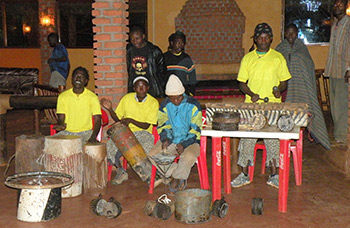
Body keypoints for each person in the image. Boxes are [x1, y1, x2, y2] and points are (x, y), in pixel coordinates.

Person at [231, 23, 291, 189]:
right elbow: (241, 82)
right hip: (252, 106)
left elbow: (284, 82)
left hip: (273, 105)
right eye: (260, 38)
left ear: (271, 39)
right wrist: (250, 94)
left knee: (272, 139)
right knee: (247, 138)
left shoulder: (278, 57)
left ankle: (275, 175)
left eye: (266, 37)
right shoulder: (248, 58)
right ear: (256, 40)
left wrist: (278, 91)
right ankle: (244, 174)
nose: (263, 40)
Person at [276, 24, 330, 150]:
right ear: (284, 34)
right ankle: (283, 139)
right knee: (285, 114)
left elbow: (309, 66)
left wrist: (295, 60)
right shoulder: (280, 49)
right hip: (285, 89)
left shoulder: (302, 49)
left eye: (293, 33)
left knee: (302, 111)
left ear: (297, 33)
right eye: (288, 33)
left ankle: (304, 136)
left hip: (301, 88)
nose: (290, 35)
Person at [148, 74, 202, 194]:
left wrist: (184, 143)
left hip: (191, 141)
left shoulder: (193, 105)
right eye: (172, 98)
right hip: (173, 140)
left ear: (182, 94)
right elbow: (163, 125)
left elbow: (195, 129)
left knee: (188, 156)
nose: (175, 101)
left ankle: (176, 178)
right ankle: (176, 175)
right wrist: (166, 138)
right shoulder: (165, 105)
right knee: (153, 154)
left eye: (178, 98)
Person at [101, 76, 159, 185]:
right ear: (134, 88)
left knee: (143, 147)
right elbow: (118, 118)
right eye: (138, 86)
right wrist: (110, 109)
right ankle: (120, 171)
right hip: (124, 132)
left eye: (144, 86)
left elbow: (146, 126)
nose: (141, 89)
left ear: (148, 87)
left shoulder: (153, 102)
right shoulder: (127, 98)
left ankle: (147, 174)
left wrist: (131, 120)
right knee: (110, 145)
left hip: (143, 133)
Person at [324, 0, 350, 144]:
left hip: (343, 70)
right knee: (333, 105)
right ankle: (338, 135)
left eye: (341, 4)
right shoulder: (335, 25)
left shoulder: (348, 24)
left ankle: (342, 137)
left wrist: (349, 69)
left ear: (346, 6)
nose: (337, 7)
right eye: (335, 5)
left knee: (341, 104)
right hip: (333, 69)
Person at [54, 66, 101, 144]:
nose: (78, 79)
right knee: (51, 145)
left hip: (86, 133)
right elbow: (61, 118)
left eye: (81, 77)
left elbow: (98, 120)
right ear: (72, 79)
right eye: (76, 76)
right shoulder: (63, 96)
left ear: (86, 81)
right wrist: (61, 125)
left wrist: (93, 137)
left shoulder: (92, 97)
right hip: (68, 132)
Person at [127, 25, 166, 98]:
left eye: (137, 38)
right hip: (135, 88)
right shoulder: (129, 51)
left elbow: (162, 71)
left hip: (152, 89)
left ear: (143, 36)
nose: (135, 42)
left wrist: (159, 85)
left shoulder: (154, 51)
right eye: (132, 39)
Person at [163, 31, 197, 95]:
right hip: (168, 91)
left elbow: (192, 77)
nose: (181, 45)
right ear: (172, 43)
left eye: (182, 43)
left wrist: (191, 92)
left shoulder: (186, 58)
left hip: (183, 92)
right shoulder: (164, 57)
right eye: (178, 43)